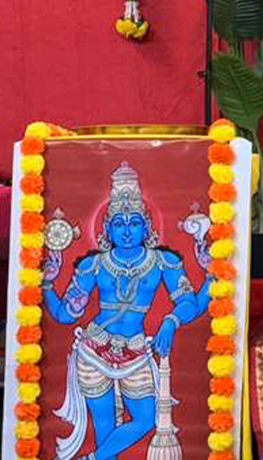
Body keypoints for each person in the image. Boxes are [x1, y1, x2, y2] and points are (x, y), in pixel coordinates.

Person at [41, 162, 212, 460]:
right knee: (105, 424)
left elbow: (191, 304)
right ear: (107, 227)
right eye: (119, 224)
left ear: (147, 224)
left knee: (146, 418)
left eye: (134, 222)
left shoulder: (163, 262)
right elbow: (66, 315)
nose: (128, 231)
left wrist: (173, 318)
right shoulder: (92, 265)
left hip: (135, 351)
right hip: (94, 349)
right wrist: (46, 284)